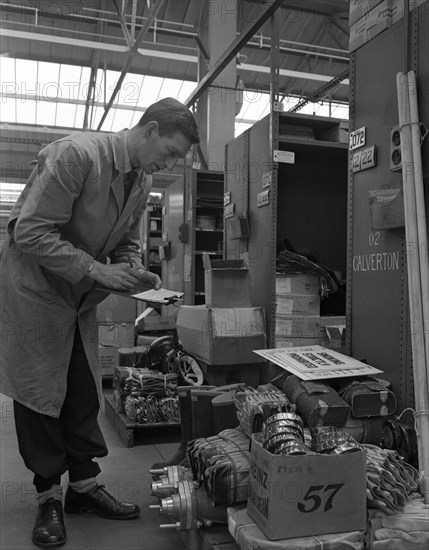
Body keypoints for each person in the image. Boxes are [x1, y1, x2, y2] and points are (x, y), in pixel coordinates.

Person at [0, 97, 200, 548]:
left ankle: (84, 488)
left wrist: (135, 270)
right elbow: (29, 231)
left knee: (82, 387)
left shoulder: (140, 178)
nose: (168, 163)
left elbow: (127, 240)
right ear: (148, 130)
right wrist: (96, 270)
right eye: (168, 151)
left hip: (77, 298)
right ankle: (49, 495)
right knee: (39, 393)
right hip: (35, 291)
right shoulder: (75, 156)